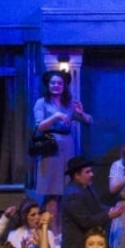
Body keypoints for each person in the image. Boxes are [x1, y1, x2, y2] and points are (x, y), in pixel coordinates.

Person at [33, 70, 93, 219]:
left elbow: (89, 121)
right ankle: (51, 230)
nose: (56, 85)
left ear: (64, 85)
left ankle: (62, 227)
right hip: (51, 147)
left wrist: (82, 112)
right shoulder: (42, 102)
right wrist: (56, 116)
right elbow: (39, 126)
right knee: (52, 190)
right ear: (48, 84)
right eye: (53, 83)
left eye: (59, 83)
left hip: (68, 146)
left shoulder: (69, 103)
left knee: (66, 189)